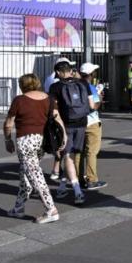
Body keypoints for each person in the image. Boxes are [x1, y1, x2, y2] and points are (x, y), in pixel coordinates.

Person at [4, 74, 63, 224]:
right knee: (26, 173)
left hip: (26, 140)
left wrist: (7, 139)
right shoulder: (48, 98)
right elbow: (57, 118)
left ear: (22, 85)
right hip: (41, 141)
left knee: (34, 174)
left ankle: (51, 210)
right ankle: (18, 208)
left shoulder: (19, 100)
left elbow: (9, 123)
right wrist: (64, 137)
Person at [48, 60, 96, 206]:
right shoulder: (83, 83)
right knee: (70, 154)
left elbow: (54, 111)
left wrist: (57, 126)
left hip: (65, 125)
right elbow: (92, 105)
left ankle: (77, 192)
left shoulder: (55, 86)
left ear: (57, 72)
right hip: (82, 123)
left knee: (67, 156)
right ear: (70, 70)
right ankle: (62, 187)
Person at [77, 63, 107, 191]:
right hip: (92, 122)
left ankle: (77, 178)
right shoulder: (90, 87)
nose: (96, 73)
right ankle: (91, 179)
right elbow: (94, 106)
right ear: (91, 74)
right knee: (91, 152)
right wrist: (100, 98)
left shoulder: (75, 86)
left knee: (79, 152)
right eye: (94, 71)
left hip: (78, 122)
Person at [46, 57, 75, 180]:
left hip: (59, 117)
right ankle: (65, 173)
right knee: (66, 148)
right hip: (69, 118)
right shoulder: (73, 82)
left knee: (60, 144)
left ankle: (57, 170)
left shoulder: (50, 81)